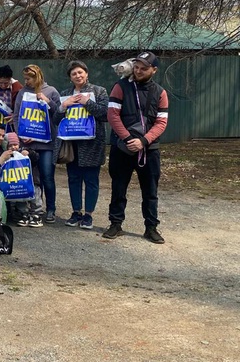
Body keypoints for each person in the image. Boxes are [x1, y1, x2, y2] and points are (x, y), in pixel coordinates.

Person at [104, 51, 169, 244]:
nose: (139, 71)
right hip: (122, 148)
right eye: (137, 67)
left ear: (154, 70)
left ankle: (151, 228)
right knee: (118, 187)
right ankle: (115, 224)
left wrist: (143, 141)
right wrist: (126, 138)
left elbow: (161, 122)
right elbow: (112, 115)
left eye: (144, 68)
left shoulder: (161, 93)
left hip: (149, 149)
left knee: (150, 191)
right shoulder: (120, 86)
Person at [52, 60, 109, 230]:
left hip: (92, 144)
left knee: (91, 180)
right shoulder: (65, 94)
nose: (78, 76)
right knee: (74, 179)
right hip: (71, 145)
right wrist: (63, 107)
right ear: (70, 78)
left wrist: (87, 103)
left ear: (86, 73)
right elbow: (56, 119)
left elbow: (106, 114)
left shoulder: (99, 91)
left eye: (80, 72)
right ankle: (76, 211)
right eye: (74, 74)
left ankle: (88, 215)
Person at [13, 64, 61, 222]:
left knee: (47, 176)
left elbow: (59, 115)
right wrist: (21, 136)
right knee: (31, 178)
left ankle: (51, 209)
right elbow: (17, 116)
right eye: (25, 78)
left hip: (46, 144)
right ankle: (31, 208)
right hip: (28, 143)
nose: (26, 82)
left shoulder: (51, 91)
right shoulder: (22, 93)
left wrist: (48, 102)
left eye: (28, 79)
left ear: (37, 77)